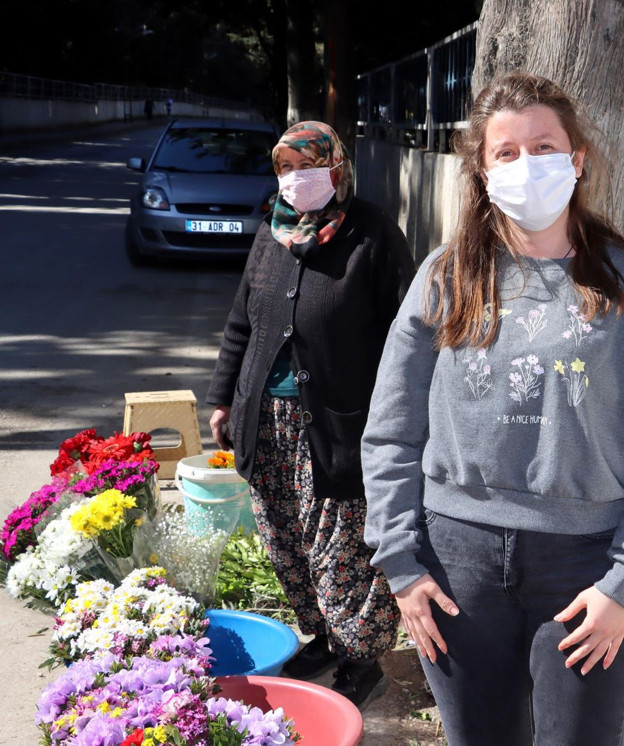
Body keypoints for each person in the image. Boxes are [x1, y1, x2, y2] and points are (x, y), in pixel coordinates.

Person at [361, 70, 624, 745]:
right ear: (483, 175)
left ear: (576, 161)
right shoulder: (445, 279)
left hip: (587, 569)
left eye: (545, 148)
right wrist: (401, 563)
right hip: (456, 568)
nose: (528, 166)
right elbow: (393, 432)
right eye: (507, 153)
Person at [207, 120, 415, 707]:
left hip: (338, 428)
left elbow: (409, 334)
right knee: (287, 542)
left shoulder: (373, 235)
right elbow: (241, 325)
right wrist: (223, 399)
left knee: (341, 549)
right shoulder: (269, 232)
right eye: (287, 167)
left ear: (338, 167)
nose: (298, 179)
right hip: (266, 423)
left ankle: (361, 658)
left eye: (310, 166)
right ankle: (323, 635)